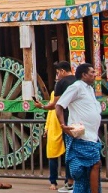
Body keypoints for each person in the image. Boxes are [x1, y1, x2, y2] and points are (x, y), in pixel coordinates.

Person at [59, 64, 101, 193]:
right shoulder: (76, 87)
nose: (95, 74)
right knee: (95, 164)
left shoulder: (89, 89)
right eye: (92, 72)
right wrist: (63, 126)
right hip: (82, 135)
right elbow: (59, 105)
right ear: (84, 75)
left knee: (87, 172)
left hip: (92, 136)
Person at [35, 61, 75, 191]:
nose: (57, 76)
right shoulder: (78, 83)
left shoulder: (61, 84)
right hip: (63, 123)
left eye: (58, 73)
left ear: (62, 71)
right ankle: (60, 181)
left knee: (67, 154)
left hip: (63, 123)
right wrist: (47, 127)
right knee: (66, 154)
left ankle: (68, 182)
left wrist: (42, 106)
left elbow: (55, 106)